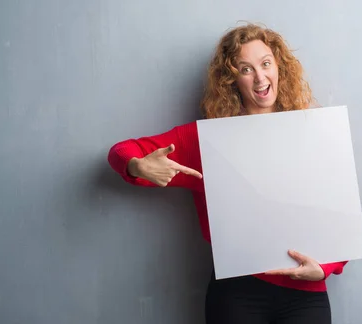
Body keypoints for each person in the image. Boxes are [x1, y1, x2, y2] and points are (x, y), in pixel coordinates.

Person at [107, 22, 348, 324]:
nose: (260, 77)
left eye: (265, 64)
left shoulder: (313, 133)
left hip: (307, 293)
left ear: (279, 67)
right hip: (238, 293)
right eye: (246, 69)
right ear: (232, 80)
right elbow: (120, 151)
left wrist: (327, 268)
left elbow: (341, 214)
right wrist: (137, 165)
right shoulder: (207, 142)